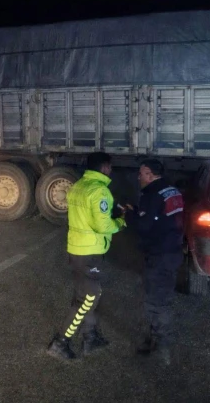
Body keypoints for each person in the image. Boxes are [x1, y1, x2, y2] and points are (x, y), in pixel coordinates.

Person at [46, 152, 127, 361]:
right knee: (90, 297)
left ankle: (90, 337)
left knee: (85, 294)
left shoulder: (79, 186)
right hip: (89, 252)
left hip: (77, 249)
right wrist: (121, 222)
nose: (110, 170)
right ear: (104, 167)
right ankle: (61, 342)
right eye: (109, 167)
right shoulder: (100, 191)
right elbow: (103, 225)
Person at [126, 158, 184, 365]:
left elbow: (143, 225)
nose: (139, 176)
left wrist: (128, 214)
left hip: (159, 255)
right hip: (174, 252)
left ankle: (159, 344)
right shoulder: (172, 190)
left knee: (155, 301)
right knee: (164, 296)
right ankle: (159, 339)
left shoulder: (151, 194)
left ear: (150, 174)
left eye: (142, 173)